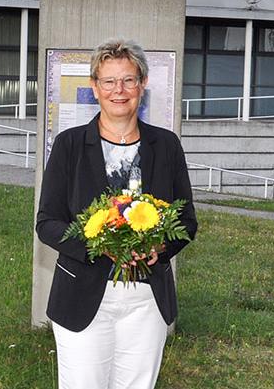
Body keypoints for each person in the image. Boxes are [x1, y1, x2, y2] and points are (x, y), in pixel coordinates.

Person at [35, 38, 198, 388]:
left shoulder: (166, 145)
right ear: (94, 87)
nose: (119, 90)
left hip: (146, 300)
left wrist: (159, 249)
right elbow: (47, 223)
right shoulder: (69, 145)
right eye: (109, 81)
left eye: (128, 80)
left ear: (143, 84)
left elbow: (187, 220)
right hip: (82, 294)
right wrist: (97, 246)